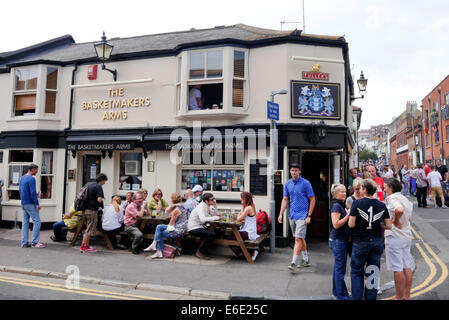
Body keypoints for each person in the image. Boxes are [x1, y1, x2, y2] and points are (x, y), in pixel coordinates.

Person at [349, 179, 392, 300]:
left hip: (360, 241)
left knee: (357, 272)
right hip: (377, 242)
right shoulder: (382, 205)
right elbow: (389, 226)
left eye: (361, 188)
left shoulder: (356, 204)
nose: (359, 190)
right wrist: (377, 224)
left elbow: (351, 224)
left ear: (365, 189)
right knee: (373, 272)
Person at [278, 163, 315, 271]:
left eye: (296, 170)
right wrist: (281, 214)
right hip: (292, 215)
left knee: (298, 238)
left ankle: (293, 262)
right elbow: (285, 199)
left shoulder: (306, 183)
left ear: (299, 172)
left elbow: (312, 199)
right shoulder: (287, 184)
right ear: (290, 171)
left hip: (302, 215)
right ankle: (306, 259)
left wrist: (309, 215)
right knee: (300, 238)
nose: (294, 172)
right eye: (292, 170)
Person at [384, 178, 414, 300]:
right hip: (406, 236)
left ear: (391, 187)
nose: (384, 188)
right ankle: (406, 296)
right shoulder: (405, 198)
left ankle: (398, 297)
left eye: (385, 186)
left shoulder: (392, 198)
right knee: (407, 266)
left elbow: (399, 210)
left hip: (395, 237)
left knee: (397, 268)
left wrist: (395, 220)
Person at [144, 192, 189, 258]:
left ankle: (158, 249)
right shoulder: (182, 207)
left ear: (172, 200)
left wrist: (174, 206)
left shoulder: (176, 210)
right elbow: (167, 210)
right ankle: (155, 245)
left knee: (160, 233)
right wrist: (175, 205)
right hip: (181, 229)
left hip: (177, 230)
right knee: (159, 227)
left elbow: (170, 226)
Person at [329, 184, 351, 300]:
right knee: (340, 269)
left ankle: (336, 292)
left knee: (338, 268)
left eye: (345, 191)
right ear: (335, 194)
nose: (344, 193)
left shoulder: (340, 204)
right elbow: (336, 224)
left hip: (340, 240)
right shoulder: (336, 206)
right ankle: (342, 296)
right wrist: (347, 216)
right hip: (338, 241)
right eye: (342, 192)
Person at [226, 192, 260, 262]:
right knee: (234, 238)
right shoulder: (250, 206)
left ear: (246, 199)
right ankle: (241, 251)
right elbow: (242, 218)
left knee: (228, 238)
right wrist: (242, 217)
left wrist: (239, 214)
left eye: (242, 198)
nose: (241, 200)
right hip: (248, 230)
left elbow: (238, 218)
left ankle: (251, 251)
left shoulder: (248, 208)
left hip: (248, 232)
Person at [187, 192, 221, 260]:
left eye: (214, 199)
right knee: (211, 234)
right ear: (206, 201)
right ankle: (200, 251)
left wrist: (215, 205)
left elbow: (215, 214)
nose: (214, 200)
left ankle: (205, 250)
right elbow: (203, 219)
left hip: (201, 226)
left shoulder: (207, 205)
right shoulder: (201, 207)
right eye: (212, 199)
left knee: (219, 231)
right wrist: (216, 218)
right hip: (193, 228)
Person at [80, 173, 108, 253]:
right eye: (104, 181)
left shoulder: (88, 184)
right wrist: (102, 199)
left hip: (84, 210)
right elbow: (99, 199)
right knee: (90, 229)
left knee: (87, 228)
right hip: (92, 210)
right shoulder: (98, 186)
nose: (104, 183)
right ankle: (84, 247)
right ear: (101, 180)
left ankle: (85, 246)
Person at [19, 164, 45, 248]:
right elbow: (32, 192)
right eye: (36, 170)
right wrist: (37, 203)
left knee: (25, 223)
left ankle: (24, 243)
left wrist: (35, 195)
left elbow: (21, 190)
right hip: (30, 203)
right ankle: (35, 242)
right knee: (37, 221)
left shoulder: (22, 178)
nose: (37, 172)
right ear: (32, 169)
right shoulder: (31, 179)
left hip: (23, 203)